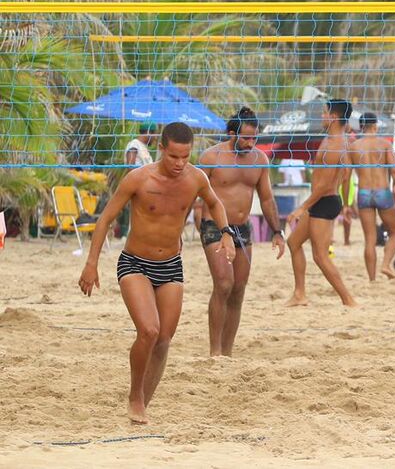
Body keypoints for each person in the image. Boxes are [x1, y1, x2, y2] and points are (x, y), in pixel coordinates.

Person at [78, 123, 231, 424]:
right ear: (161, 149)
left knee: (163, 339)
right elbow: (105, 220)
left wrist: (225, 232)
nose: (179, 163)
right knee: (148, 330)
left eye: (185, 156)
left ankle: (143, 403)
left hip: (171, 265)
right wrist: (91, 263)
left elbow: (215, 202)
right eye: (174, 156)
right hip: (134, 262)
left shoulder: (196, 178)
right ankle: (135, 395)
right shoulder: (138, 179)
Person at [194, 107, 285, 357]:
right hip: (214, 226)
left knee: (239, 289)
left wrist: (277, 231)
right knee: (224, 283)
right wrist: (190, 222)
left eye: (254, 137)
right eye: (245, 137)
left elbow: (266, 199)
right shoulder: (211, 157)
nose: (250, 142)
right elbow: (194, 193)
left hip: (242, 228)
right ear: (232, 133)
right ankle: (214, 352)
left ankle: (227, 351)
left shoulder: (259, 160)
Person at [285, 99, 357, 307]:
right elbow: (346, 174)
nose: (321, 116)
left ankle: (348, 300)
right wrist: (345, 203)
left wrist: (301, 207)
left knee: (320, 256)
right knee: (294, 243)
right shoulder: (338, 140)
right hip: (324, 200)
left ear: (334, 117)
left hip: (324, 201)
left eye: (324, 113)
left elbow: (325, 186)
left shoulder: (336, 145)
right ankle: (300, 294)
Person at [345, 112, 395, 281]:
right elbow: (394, 171)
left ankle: (372, 279)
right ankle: (385, 265)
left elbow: (346, 176)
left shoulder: (354, 146)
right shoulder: (384, 144)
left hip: (363, 192)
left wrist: (345, 204)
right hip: (382, 191)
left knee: (369, 238)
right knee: (394, 232)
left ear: (361, 127)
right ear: (375, 126)